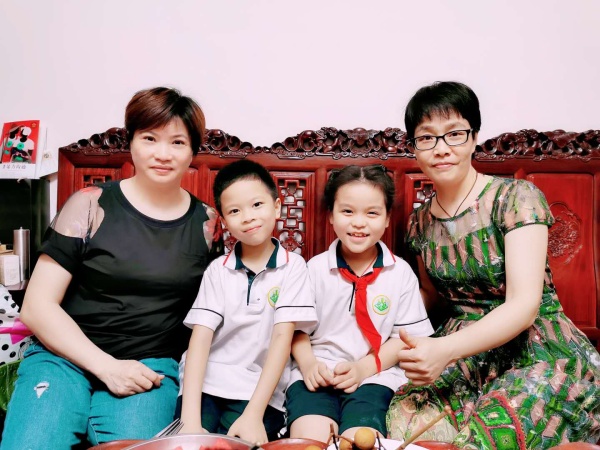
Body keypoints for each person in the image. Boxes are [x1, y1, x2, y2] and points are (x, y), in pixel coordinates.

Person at [0, 87, 223, 449]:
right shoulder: (89, 204)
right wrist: (107, 367)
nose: (163, 154)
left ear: (193, 151)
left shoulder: (207, 224)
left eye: (178, 142)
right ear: (130, 141)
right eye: (149, 138)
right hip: (62, 355)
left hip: (149, 367)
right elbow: (37, 305)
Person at [386, 81, 600, 449]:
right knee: (404, 420)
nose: (441, 148)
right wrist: (375, 320)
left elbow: (524, 305)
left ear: (474, 138)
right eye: (427, 137)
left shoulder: (516, 198)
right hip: (465, 353)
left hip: (536, 347)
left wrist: (444, 350)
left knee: (490, 435)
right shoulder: (419, 222)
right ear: (414, 147)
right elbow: (433, 299)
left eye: (455, 134)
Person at [286, 165, 434, 443]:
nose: (358, 223)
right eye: (347, 211)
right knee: (311, 440)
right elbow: (295, 330)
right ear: (331, 215)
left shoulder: (400, 273)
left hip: (374, 377)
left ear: (387, 219)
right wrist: (309, 365)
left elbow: (404, 339)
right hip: (317, 375)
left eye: (372, 213)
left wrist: (363, 369)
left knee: (360, 440)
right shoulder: (313, 269)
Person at [179, 159, 318, 444]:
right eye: (235, 211)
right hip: (207, 384)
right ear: (224, 220)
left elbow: (282, 338)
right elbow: (200, 339)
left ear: (277, 207)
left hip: (259, 391)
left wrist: (253, 415)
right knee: (191, 443)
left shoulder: (293, 267)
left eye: (257, 205)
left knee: (236, 444)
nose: (248, 217)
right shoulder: (218, 270)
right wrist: (189, 420)